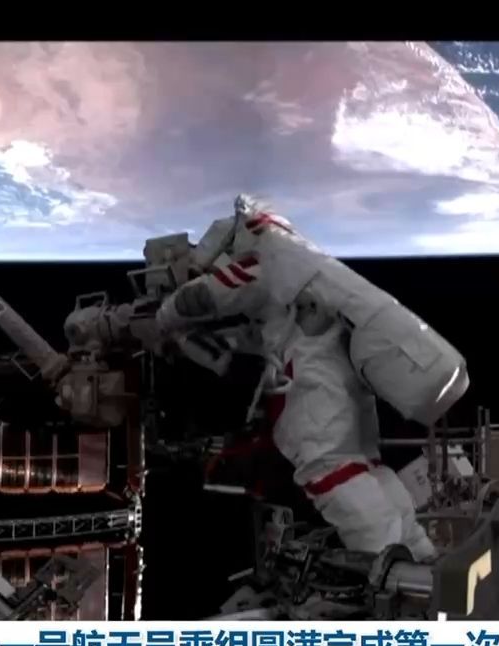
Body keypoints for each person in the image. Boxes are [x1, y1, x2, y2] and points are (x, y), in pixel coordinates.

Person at [155, 197, 441, 560]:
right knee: (365, 465)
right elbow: (267, 333)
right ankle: (417, 552)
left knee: (328, 470)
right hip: (344, 379)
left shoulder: (262, 265)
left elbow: (199, 298)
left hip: (312, 383)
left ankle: (383, 561)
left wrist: (163, 318)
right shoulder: (303, 268)